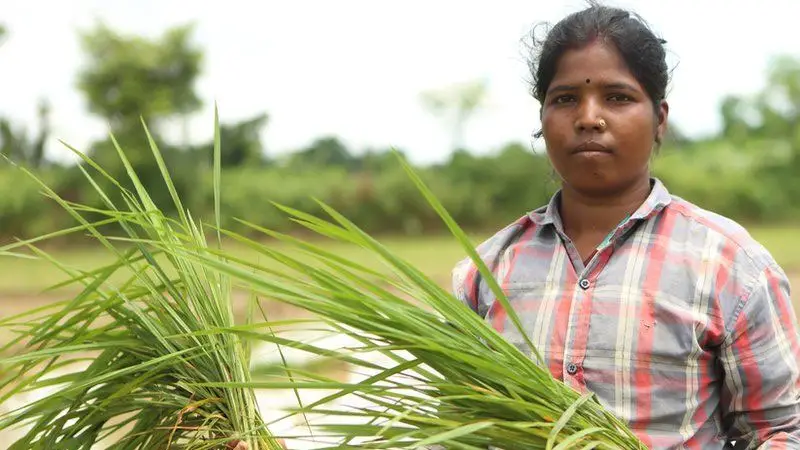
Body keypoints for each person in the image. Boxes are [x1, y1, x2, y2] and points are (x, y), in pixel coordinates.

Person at [450, 3, 800, 449]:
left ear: (659, 119)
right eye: (565, 98)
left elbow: (780, 430)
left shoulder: (732, 267)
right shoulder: (487, 271)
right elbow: (459, 422)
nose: (588, 117)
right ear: (542, 120)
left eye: (617, 97)